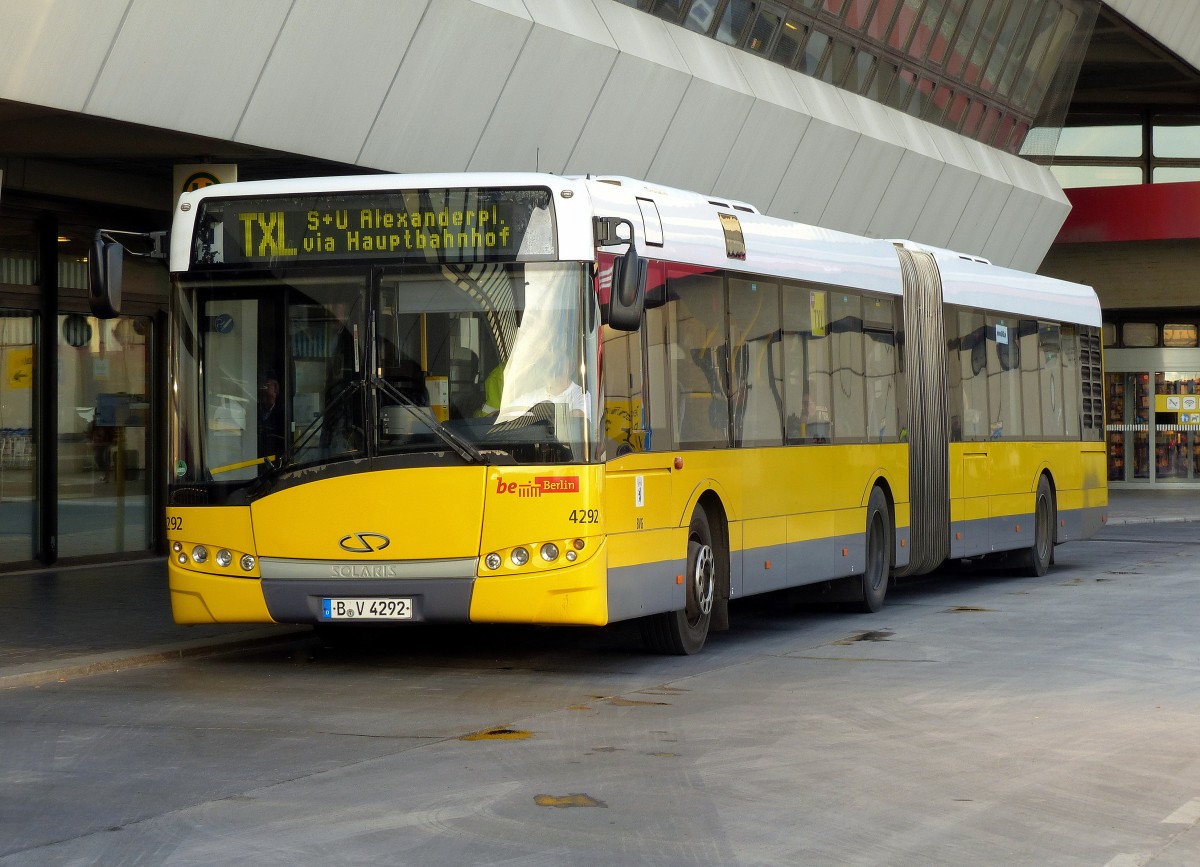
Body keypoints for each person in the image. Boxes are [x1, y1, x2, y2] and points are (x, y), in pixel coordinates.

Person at [258, 377, 285, 458]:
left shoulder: (282, 413)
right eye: (262, 393)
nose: (264, 396)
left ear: (275, 393)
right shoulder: (255, 411)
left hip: (274, 456)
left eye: (267, 394)